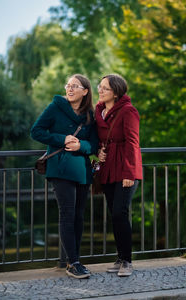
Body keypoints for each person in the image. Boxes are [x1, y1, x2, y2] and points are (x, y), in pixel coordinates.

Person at [31, 74, 98, 279]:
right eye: (68, 85)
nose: (69, 89)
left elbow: (94, 144)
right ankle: (73, 262)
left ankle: (73, 259)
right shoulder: (55, 107)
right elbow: (36, 131)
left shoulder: (90, 115)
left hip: (82, 171)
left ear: (85, 91)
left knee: (78, 216)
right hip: (60, 169)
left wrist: (81, 145)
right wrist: (62, 138)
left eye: (74, 86)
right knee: (67, 214)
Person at [95, 74, 143, 277]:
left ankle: (127, 262)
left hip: (125, 169)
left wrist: (130, 172)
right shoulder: (99, 111)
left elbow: (133, 142)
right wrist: (98, 151)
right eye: (100, 86)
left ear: (115, 91)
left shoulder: (128, 111)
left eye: (105, 88)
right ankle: (120, 257)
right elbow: (98, 138)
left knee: (119, 213)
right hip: (107, 169)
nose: (100, 90)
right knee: (114, 216)